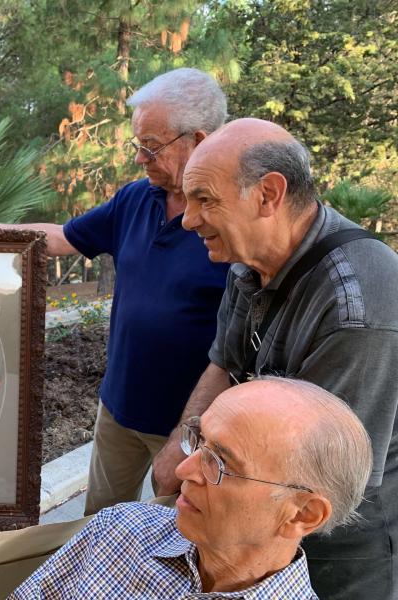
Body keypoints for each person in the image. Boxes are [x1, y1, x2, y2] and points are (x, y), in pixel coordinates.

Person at [0, 68, 230, 514]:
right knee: (99, 524)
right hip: (118, 409)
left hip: (187, 425)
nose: (140, 159)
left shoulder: (234, 219)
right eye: (138, 145)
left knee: (178, 540)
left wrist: (193, 432)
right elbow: (60, 238)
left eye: (151, 147)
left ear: (200, 140)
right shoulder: (135, 199)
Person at [152, 117, 398, 598]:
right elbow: (224, 362)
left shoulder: (359, 307)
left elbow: (317, 477)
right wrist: (178, 453)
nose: (188, 219)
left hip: (337, 548)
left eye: (205, 199)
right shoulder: (250, 259)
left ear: (268, 194)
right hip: (260, 517)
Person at [11, 377, 372, 599]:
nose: (184, 470)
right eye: (199, 442)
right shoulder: (119, 531)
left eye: (221, 463)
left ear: (302, 514)